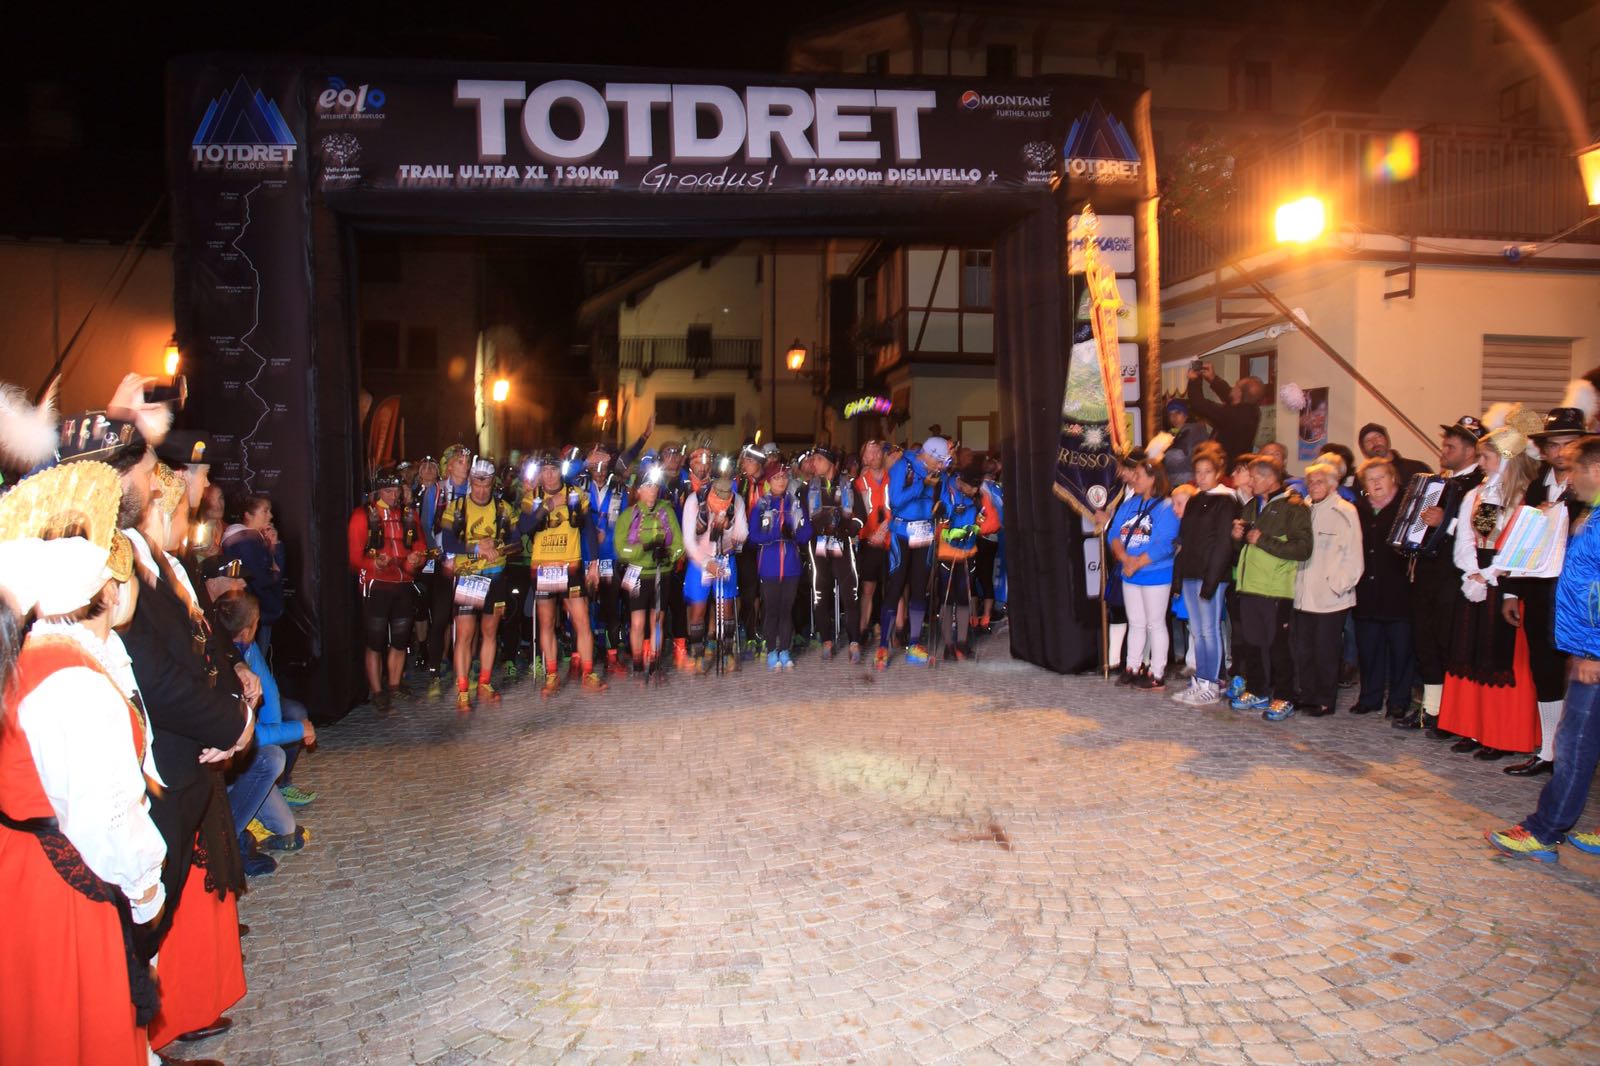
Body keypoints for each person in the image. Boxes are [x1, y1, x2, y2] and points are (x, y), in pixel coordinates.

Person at [0, 494, 166, 1066]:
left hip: (24, 869)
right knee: (82, 1026)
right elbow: (104, 816)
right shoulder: (69, 679)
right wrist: (145, 894)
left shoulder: (32, 656)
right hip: (62, 885)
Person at [1487, 435, 1600, 862]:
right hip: (1588, 645)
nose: (1568, 478)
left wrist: (1591, 651)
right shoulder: (1590, 513)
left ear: (1595, 469)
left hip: (1595, 651)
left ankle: (1543, 831)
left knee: (1574, 744)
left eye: (1574, 469)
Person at [1436, 425, 1542, 761]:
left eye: (1486, 456)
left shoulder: (1524, 497)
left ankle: (1501, 733)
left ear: (1507, 459)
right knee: (1470, 653)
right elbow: (1468, 537)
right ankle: (1473, 726)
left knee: (1500, 658)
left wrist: (1491, 574)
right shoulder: (1479, 494)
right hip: (1476, 580)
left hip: (1505, 583)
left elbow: (1521, 546)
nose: (1481, 463)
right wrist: (1472, 571)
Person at [1499, 408, 1590, 776]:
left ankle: (1576, 755)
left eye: (1569, 443)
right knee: (1544, 669)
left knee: (1582, 674)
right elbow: (1522, 541)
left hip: (1581, 596)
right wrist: (1509, 592)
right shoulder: (1537, 485)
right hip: (1540, 592)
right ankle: (1549, 751)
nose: (1561, 451)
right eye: (1554, 444)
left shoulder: (1590, 488)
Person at [1396, 416, 1487, 733]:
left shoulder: (1480, 485)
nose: (1443, 451)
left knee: (1449, 644)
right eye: (1444, 445)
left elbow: (1485, 531)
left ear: (1471, 452)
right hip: (1428, 572)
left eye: (1451, 447)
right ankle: (1431, 711)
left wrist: (1445, 523)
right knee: (1427, 642)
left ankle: (1452, 714)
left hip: (1454, 574)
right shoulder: (1441, 482)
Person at [216, 590, 313, 856]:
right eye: (257, 622)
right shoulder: (222, 666)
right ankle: (227, 839)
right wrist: (295, 730)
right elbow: (245, 736)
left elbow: (269, 692)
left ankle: (262, 796)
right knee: (272, 757)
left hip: (243, 748)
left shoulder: (247, 648)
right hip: (224, 761)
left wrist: (282, 727)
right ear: (246, 631)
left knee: (288, 832)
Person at [1228, 456, 1312, 718]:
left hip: (1276, 588)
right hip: (1249, 585)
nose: (1249, 482)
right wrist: (1237, 538)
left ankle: (1285, 695)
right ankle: (1257, 689)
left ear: (1270, 478)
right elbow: (1245, 548)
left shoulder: (1293, 507)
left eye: (1253, 477)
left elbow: (1303, 548)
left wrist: (1263, 539)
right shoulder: (1252, 505)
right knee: (1253, 644)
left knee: (1279, 647)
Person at [522, 453, 607, 696]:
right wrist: (548, 506)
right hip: (543, 567)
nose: (549, 475)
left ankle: (588, 673)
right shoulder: (532, 496)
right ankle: (551, 675)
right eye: (545, 470)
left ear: (561, 471)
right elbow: (523, 528)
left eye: (553, 470)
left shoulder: (576, 493)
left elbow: (589, 530)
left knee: (582, 620)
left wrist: (594, 564)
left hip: (571, 565)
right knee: (547, 621)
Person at [440, 457, 517, 712]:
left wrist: (497, 546)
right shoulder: (457, 507)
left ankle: (484, 683)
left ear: (493, 483)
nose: (482, 490)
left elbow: (517, 542)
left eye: (486, 485)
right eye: (477, 484)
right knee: (464, 634)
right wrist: (477, 548)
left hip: (495, 576)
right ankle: (463, 690)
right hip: (469, 577)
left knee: (490, 632)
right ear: (471, 482)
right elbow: (448, 542)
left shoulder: (503, 508)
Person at [1288, 460, 1363, 718]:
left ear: (1333, 484)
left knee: (1326, 651)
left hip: (1330, 596)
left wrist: (1337, 585)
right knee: (1303, 649)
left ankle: (1324, 699)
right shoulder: (1304, 509)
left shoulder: (1345, 511)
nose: (1314, 486)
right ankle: (1306, 693)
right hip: (1302, 593)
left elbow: (1354, 555)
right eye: (1310, 482)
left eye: (1319, 481)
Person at [348, 467, 425, 714]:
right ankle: (377, 691)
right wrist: (376, 564)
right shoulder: (362, 515)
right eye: (388, 491)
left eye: (396, 490)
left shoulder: (409, 515)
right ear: (378, 491)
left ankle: (394, 684)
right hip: (377, 584)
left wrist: (415, 560)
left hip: (403, 584)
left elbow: (420, 546)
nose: (393, 496)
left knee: (400, 638)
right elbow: (354, 558)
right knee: (375, 640)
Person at [1101, 448, 1179, 689]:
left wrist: (1136, 563)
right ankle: (1132, 667)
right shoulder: (1129, 504)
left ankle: (1157, 672)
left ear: (1153, 479)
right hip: (1130, 573)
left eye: (1138, 475)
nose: (1133, 479)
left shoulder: (1167, 507)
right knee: (1135, 622)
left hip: (1156, 573)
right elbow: (1114, 533)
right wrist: (1125, 559)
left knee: (1155, 623)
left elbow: (1165, 543)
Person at [1172, 442, 1240, 706]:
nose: (1201, 477)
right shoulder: (1194, 500)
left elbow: (1223, 543)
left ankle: (1212, 682)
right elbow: (1185, 541)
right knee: (1197, 631)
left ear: (1218, 472)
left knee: (1210, 630)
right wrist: (1179, 579)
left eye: (1207, 472)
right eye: (1198, 472)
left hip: (1210, 576)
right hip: (1191, 573)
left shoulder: (1226, 501)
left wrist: (1211, 582)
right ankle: (1200, 680)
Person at [1350, 457, 1416, 718]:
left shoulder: (1408, 507)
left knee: (1401, 652)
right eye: (1370, 479)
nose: (1376, 483)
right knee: (1369, 650)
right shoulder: (1358, 510)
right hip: (1366, 592)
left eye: (1381, 477)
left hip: (1399, 593)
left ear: (1393, 478)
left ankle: (1399, 700)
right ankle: (1370, 697)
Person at [880, 436, 949, 668]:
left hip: (925, 532)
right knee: (896, 586)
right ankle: (883, 646)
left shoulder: (938, 473)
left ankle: (914, 644)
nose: (941, 466)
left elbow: (943, 499)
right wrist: (922, 485)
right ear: (929, 454)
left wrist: (943, 508)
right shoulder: (903, 466)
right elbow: (896, 501)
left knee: (920, 588)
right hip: (902, 532)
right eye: (939, 461)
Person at [614, 461, 686, 680]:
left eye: (655, 486)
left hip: (661, 573)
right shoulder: (629, 515)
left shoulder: (667, 512)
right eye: (647, 486)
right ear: (639, 490)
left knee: (657, 621)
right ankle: (637, 665)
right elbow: (621, 550)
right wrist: (644, 548)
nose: (652, 490)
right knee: (637, 623)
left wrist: (668, 554)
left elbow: (679, 544)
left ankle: (655, 664)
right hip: (637, 574)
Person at [682, 456, 748, 671]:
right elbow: (688, 542)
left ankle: (727, 651)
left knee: (726, 607)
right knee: (699, 607)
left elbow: (742, 534)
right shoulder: (694, 501)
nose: (722, 500)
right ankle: (698, 653)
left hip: (725, 557)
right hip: (699, 560)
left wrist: (727, 529)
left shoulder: (737, 501)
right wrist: (706, 562)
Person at [932, 458, 1000, 661]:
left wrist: (975, 529)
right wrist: (949, 531)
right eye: (972, 488)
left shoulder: (978, 496)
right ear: (961, 481)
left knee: (964, 599)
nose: (974, 492)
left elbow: (992, 521)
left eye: (977, 488)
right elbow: (936, 524)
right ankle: (948, 645)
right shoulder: (945, 490)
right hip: (947, 554)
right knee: (947, 599)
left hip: (968, 554)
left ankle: (962, 643)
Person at [748, 460, 812, 670]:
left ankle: (784, 649)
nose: (781, 481)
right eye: (776, 477)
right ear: (769, 481)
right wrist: (776, 533)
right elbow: (753, 536)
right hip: (769, 565)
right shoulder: (762, 505)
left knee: (786, 609)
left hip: (791, 565)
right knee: (771, 609)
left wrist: (794, 533)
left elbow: (806, 532)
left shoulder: (795, 503)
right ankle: (771, 650)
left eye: (784, 477)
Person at [420, 444, 471, 697]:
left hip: (469, 563)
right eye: (460, 461)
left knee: (467, 618)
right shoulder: (437, 490)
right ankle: (434, 671)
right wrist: (439, 555)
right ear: (449, 465)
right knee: (440, 617)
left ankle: (466, 669)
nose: (466, 466)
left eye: (467, 461)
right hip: (444, 563)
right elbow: (425, 525)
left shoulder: (475, 488)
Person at [805, 446, 863, 663]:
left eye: (819, 459)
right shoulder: (809, 487)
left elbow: (861, 515)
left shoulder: (848, 484)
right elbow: (804, 518)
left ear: (831, 462)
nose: (814, 463)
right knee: (821, 594)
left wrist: (850, 527)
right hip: (819, 545)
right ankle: (826, 641)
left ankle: (854, 641)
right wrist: (818, 526)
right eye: (813, 459)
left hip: (842, 544)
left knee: (850, 593)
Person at [583, 444, 630, 676]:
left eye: (604, 466)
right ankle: (583, 655)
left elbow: (625, 523)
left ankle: (612, 656)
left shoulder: (619, 489)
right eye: (595, 466)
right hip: (586, 556)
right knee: (586, 608)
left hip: (610, 556)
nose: (600, 472)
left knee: (611, 608)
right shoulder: (579, 487)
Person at [221, 491, 285, 651]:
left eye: (270, 511)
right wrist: (275, 572)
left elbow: (274, 570)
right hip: (253, 613)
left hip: (258, 612)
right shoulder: (244, 542)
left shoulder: (256, 539)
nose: (270, 516)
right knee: (252, 657)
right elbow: (261, 579)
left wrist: (274, 545)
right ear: (248, 515)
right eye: (265, 511)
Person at [853, 440, 893, 650]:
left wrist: (884, 529)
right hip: (868, 541)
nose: (875, 455)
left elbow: (897, 506)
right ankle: (862, 631)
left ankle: (895, 631)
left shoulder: (892, 478)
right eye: (870, 452)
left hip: (891, 540)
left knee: (894, 587)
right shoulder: (859, 483)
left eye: (878, 451)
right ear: (864, 458)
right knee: (868, 587)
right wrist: (870, 534)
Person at [1186, 362, 1265, 463]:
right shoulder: (1253, 411)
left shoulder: (1233, 415)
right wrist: (1213, 378)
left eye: (1236, 385)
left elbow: (1199, 404)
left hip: (1224, 468)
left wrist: (1194, 380)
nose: (1233, 387)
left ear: (1239, 393)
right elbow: (1231, 396)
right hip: (1236, 465)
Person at [974, 454, 1005, 635]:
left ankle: (974, 616)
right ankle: (986, 616)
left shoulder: (981, 487)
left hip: (980, 535)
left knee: (975, 576)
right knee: (986, 577)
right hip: (995, 537)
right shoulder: (999, 488)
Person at [1357, 422, 1430, 485]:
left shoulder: (1417, 469)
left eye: (1378, 436)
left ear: (1387, 440)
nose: (1374, 442)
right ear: (1363, 449)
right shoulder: (1360, 480)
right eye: (1368, 440)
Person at [1160, 398, 1210, 487]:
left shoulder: (1194, 431)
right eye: (1170, 414)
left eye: (1178, 412)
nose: (1174, 417)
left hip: (1188, 482)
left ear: (1186, 415)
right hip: (1176, 483)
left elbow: (1197, 457)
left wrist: (1170, 466)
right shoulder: (1173, 435)